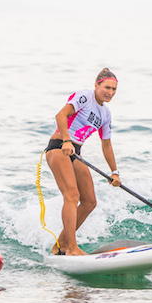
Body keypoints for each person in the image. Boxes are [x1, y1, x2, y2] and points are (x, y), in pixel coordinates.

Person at [44, 68, 122, 256]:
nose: (110, 92)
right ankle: (71, 247)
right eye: (107, 87)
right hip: (59, 147)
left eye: (114, 89)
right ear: (97, 85)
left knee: (89, 201)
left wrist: (115, 172)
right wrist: (66, 140)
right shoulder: (85, 97)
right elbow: (61, 115)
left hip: (75, 152)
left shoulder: (106, 114)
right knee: (72, 196)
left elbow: (106, 145)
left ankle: (61, 244)